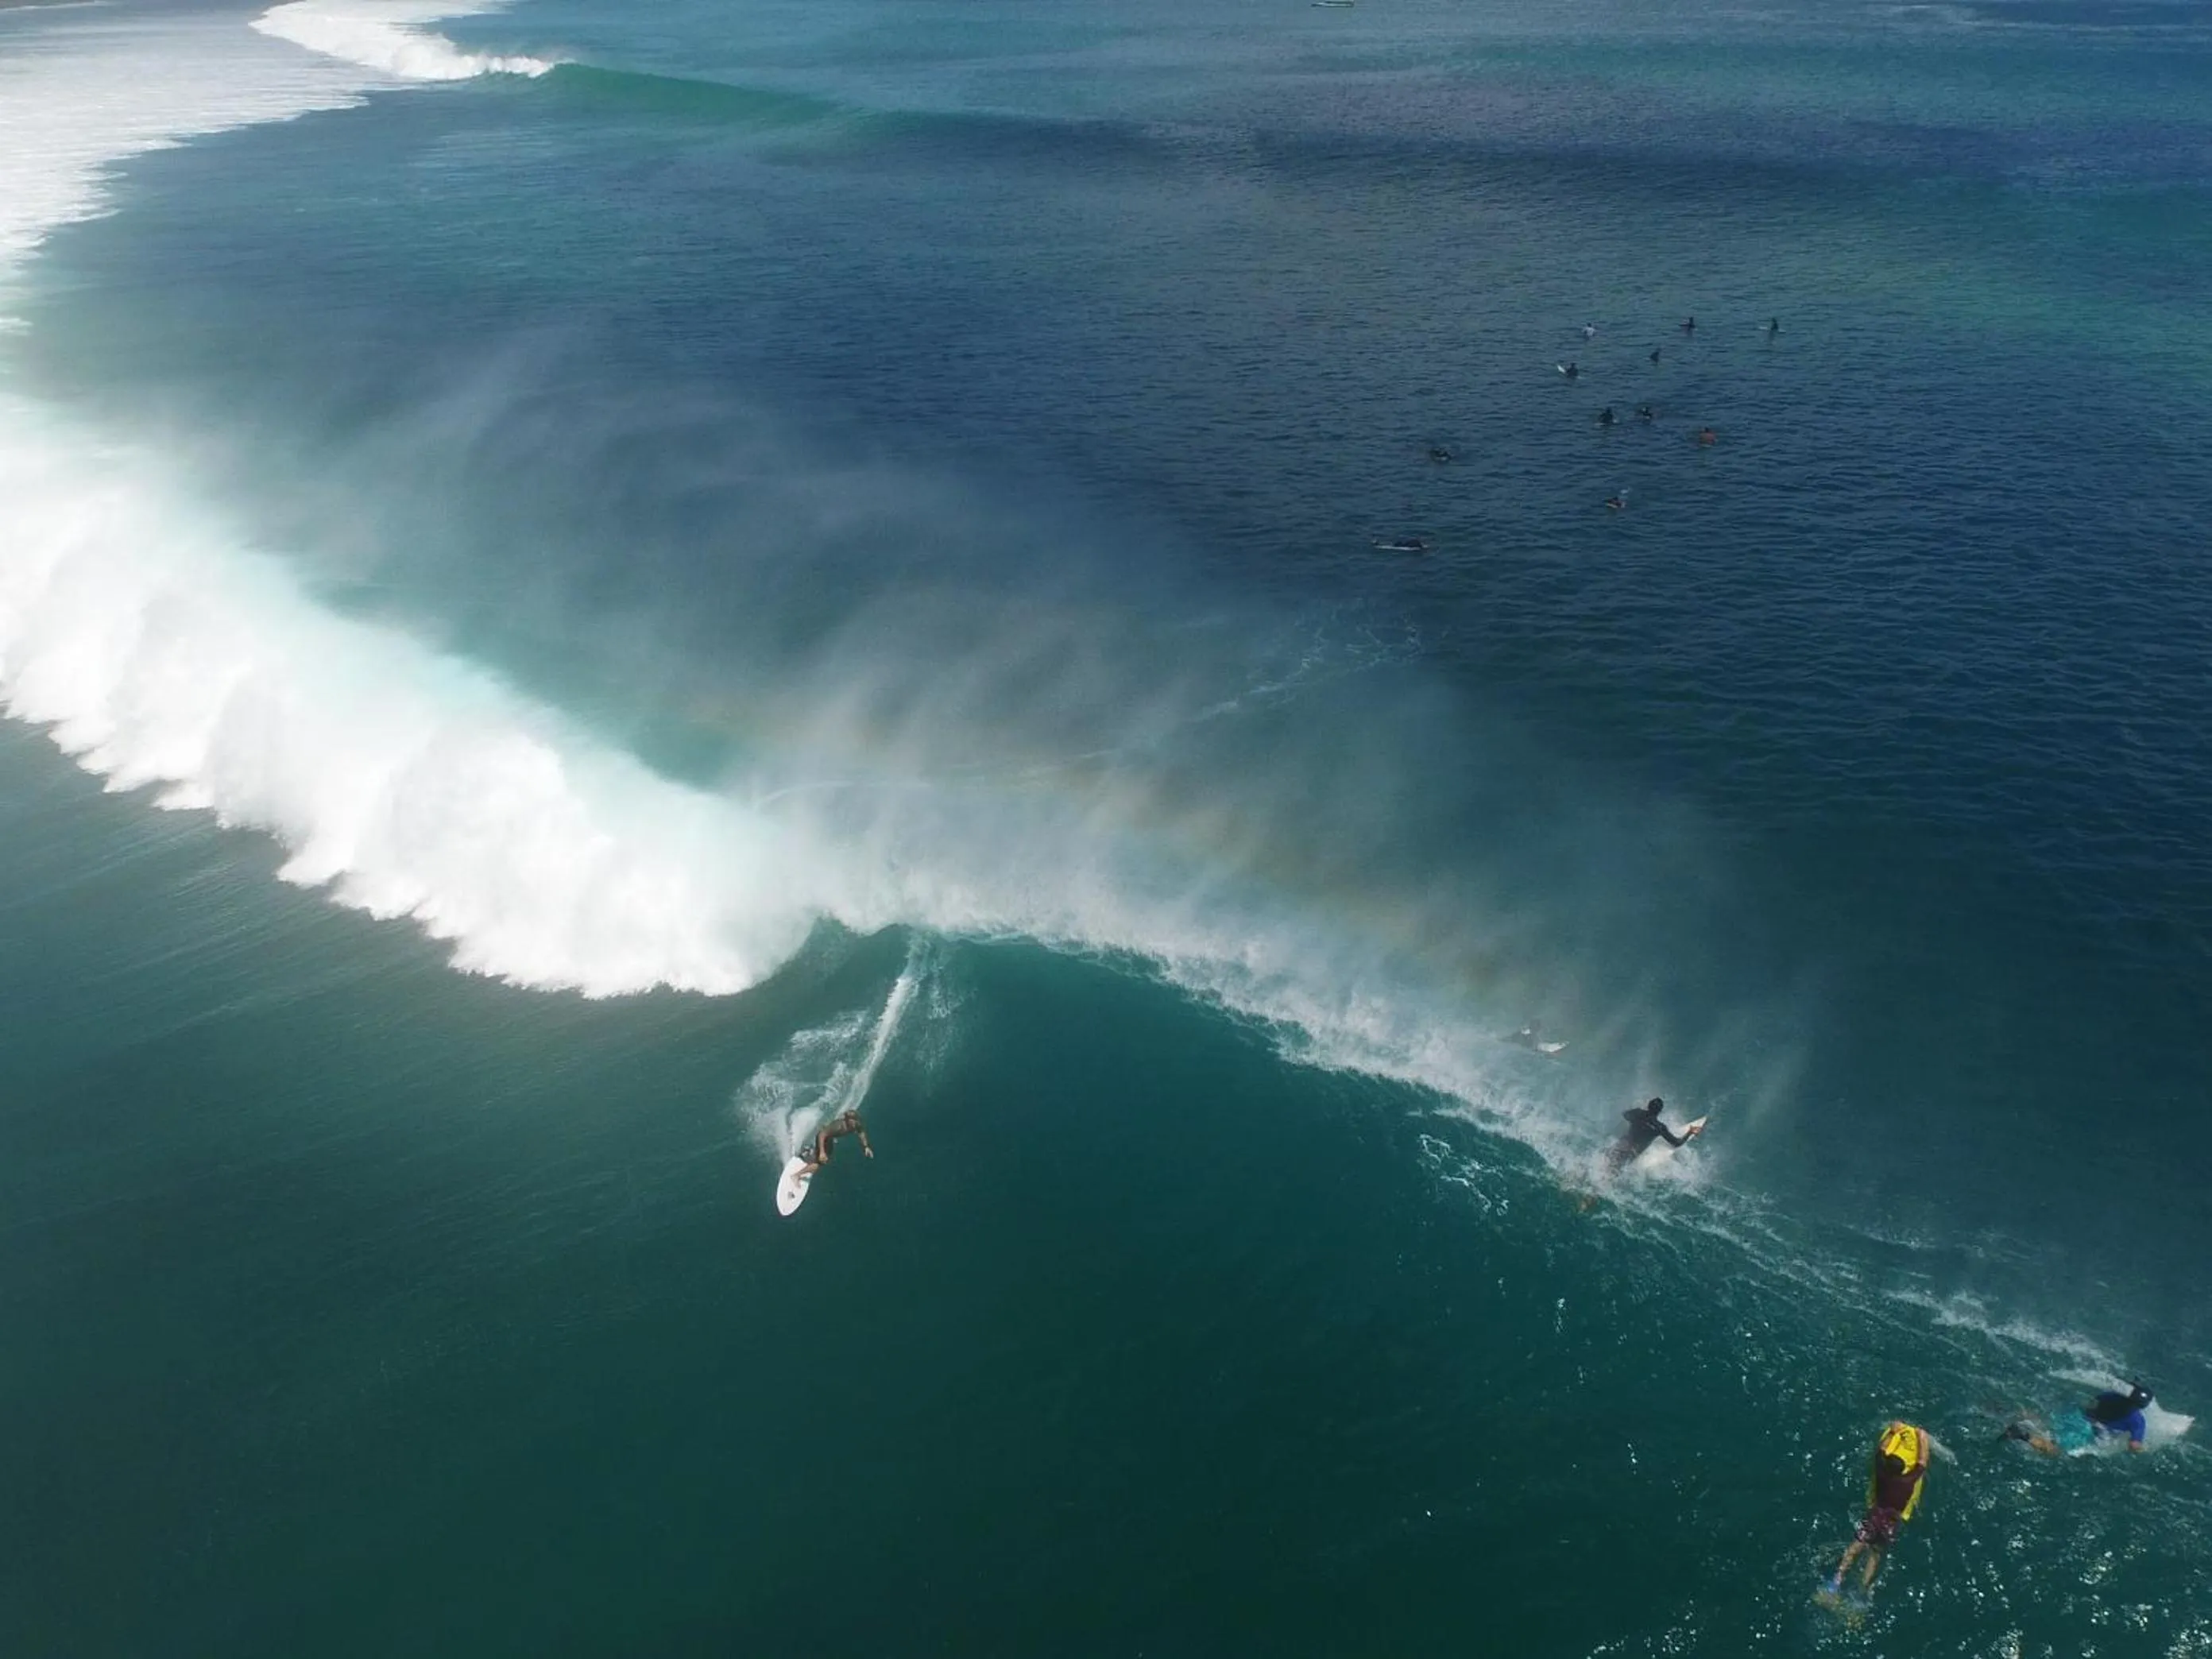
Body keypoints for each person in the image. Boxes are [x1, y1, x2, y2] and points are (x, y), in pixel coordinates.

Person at [1828, 1422, 1929, 1598]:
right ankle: (1862, 1590)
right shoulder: (1908, 1481)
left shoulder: (1882, 1473)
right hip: (1891, 1522)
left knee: (1855, 1547)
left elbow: (1881, 1450)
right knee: (1875, 1554)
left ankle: (1836, 1581)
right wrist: (1922, 1438)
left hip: (1875, 1516)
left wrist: (1892, 1431)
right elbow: (1922, 1462)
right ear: (1904, 1469)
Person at [2006, 1382, 2153, 1456]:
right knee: (2056, 1451)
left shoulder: (2112, 1396)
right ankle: (2022, 1436)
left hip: (2078, 1415)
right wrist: (2144, 1449)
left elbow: (2093, 1402)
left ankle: (2014, 1412)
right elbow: (2134, 1446)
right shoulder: (2138, 1421)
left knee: (2046, 1425)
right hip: (2091, 1431)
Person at [1602, 1097, 1696, 1174]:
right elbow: (1677, 1143)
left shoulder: (1638, 1113)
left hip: (1622, 1144)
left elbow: (1625, 1114)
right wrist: (1690, 1132)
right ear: (1660, 1111)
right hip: (1632, 1152)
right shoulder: (1659, 1127)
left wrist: (1636, 1112)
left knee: (1602, 1163)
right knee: (1611, 1173)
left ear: (1648, 1106)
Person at [797, 1108, 873, 1177]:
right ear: (847, 1120)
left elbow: (861, 1132)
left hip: (829, 1137)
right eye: (852, 1120)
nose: (855, 1122)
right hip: (823, 1136)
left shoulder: (856, 1125)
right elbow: (822, 1135)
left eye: (856, 1120)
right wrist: (822, 1152)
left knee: (826, 1155)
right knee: (820, 1162)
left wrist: (866, 1147)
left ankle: (808, 1152)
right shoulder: (839, 1126)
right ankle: (797, 1175)